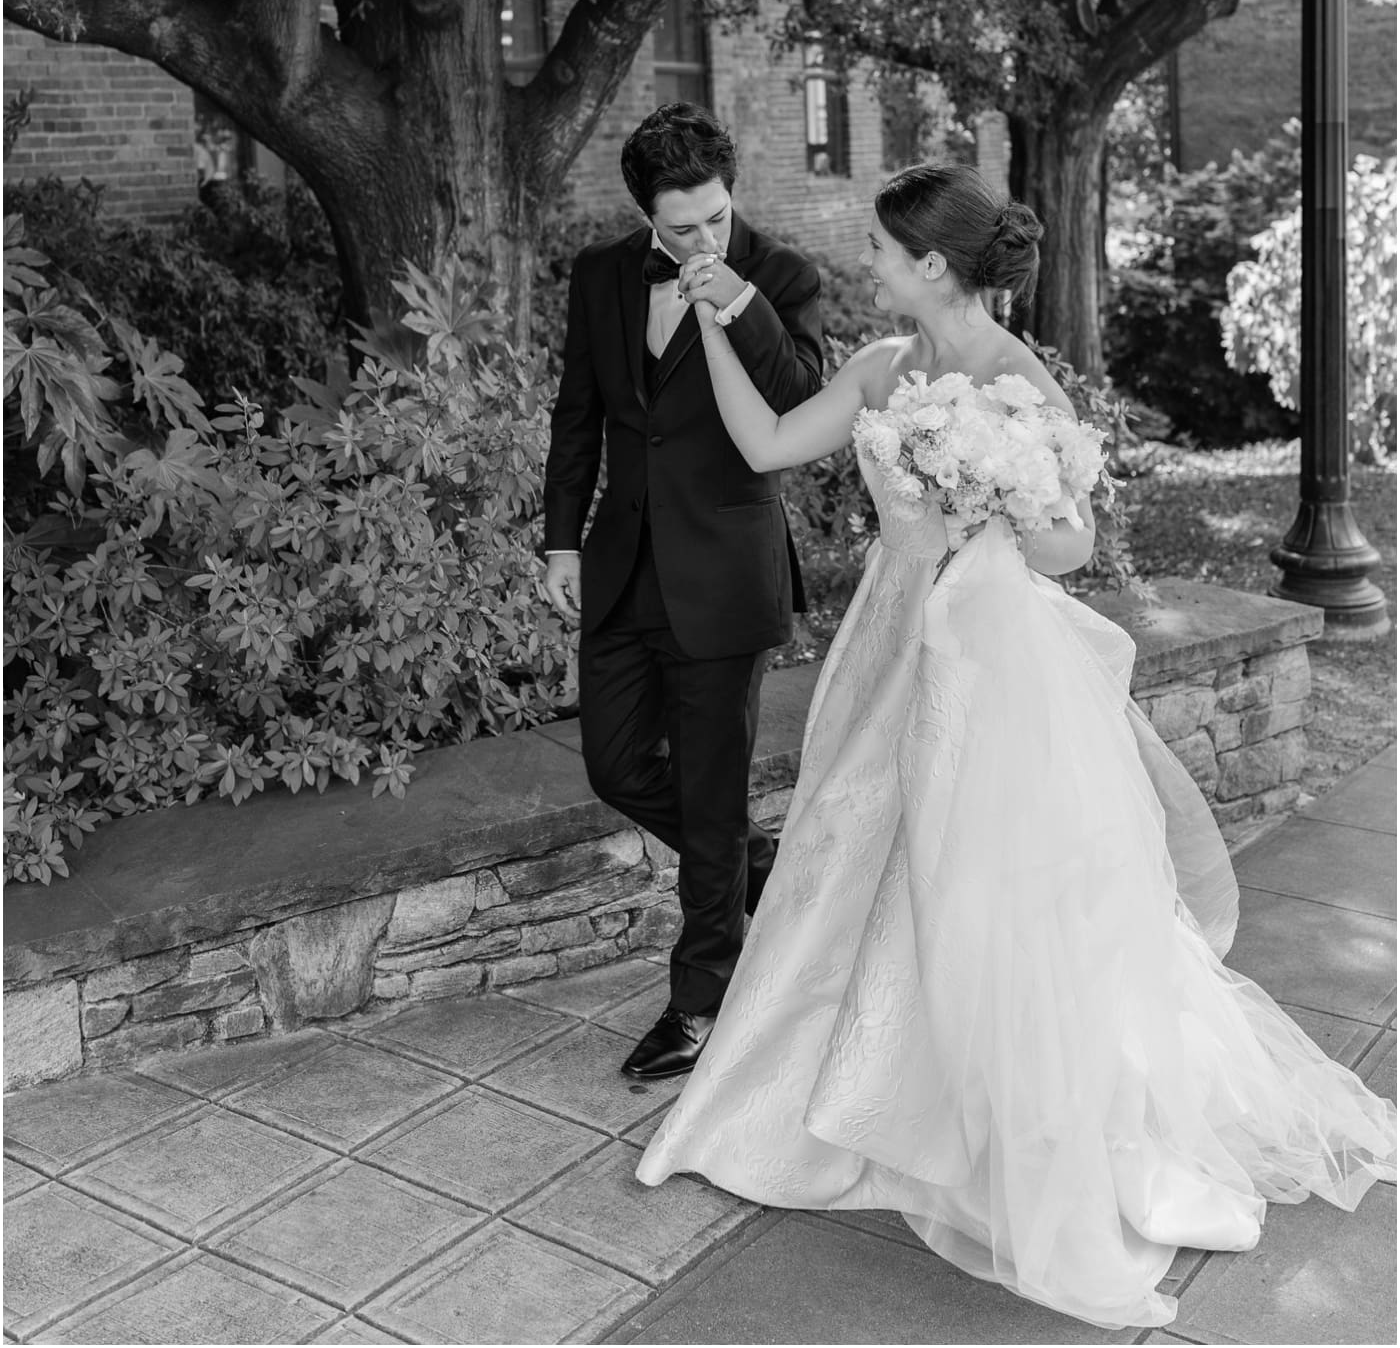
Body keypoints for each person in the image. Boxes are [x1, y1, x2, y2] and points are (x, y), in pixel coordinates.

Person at [636, 162, 1396, 1331]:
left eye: (884, 250)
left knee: (980, 887)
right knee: (855, 858)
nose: (871, 264)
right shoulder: (886, 369)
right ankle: (827, 1094)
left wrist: (987, 488)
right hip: (891, 644)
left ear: (931, 262)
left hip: (991, 660)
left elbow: (1064, 550)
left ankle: (1009, 1121)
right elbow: (769, 445)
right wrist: (709, 323)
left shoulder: (1018, 380)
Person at [542, 103, 823, 1081]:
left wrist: (736, 300)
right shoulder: (603, 277)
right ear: (646, 221)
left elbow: (798, 401)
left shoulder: (781, 274)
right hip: (622, 570)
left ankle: (700, 1005)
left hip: (724, 575)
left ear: (727, 194)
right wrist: (560, 547)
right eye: (680, 229)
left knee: (705, 798)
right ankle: (761, 864)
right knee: (615, 767)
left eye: (711, 219)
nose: (700, 241)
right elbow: (577, 416)